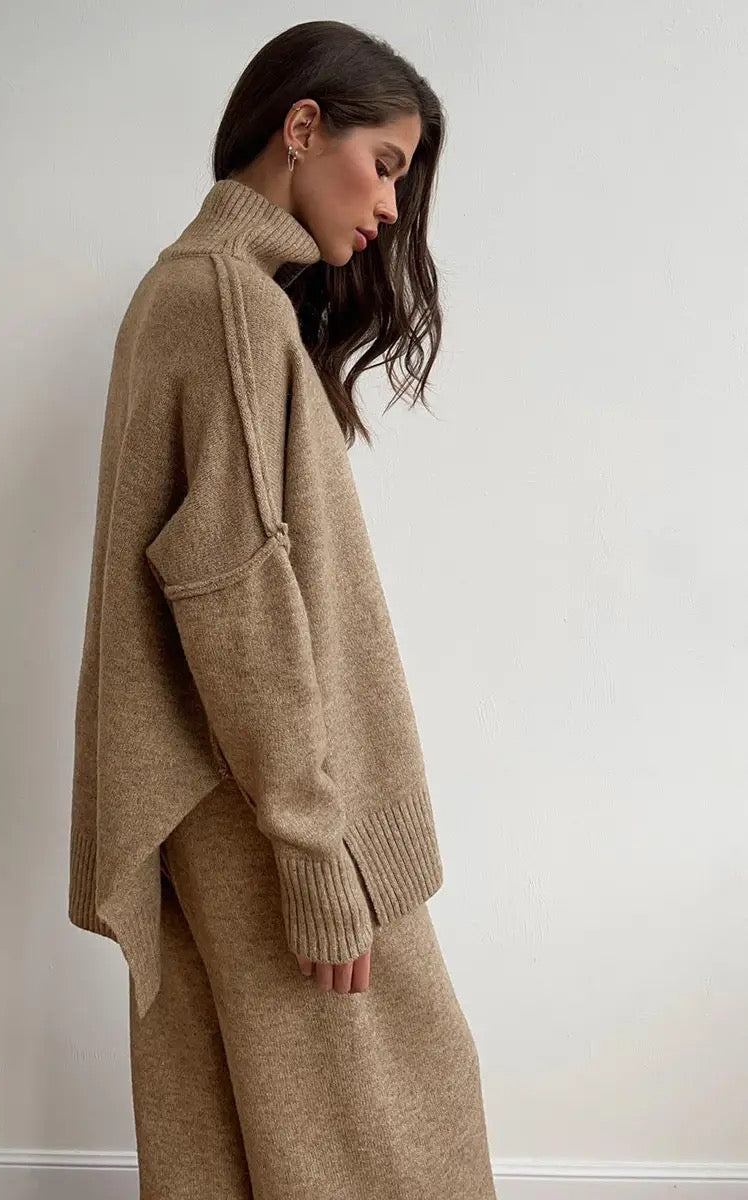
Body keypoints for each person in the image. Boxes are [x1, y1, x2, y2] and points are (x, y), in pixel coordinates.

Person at [67, 18, 498, 1199]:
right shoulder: (226, 303)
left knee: (249, 1140)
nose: (392, 207)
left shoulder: (192, 289)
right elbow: (237, 592)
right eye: (386, 165)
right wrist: (313, 849)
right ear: (303, 128)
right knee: (394, 1131)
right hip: (274, 813)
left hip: (224, 800)